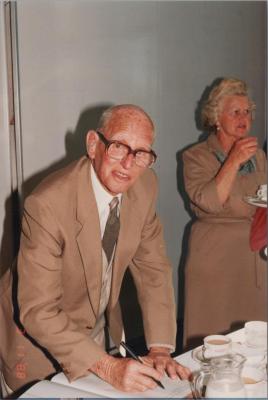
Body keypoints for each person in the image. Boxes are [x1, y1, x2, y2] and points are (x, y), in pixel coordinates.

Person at [0, 104, 190, 395]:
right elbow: (39, 311)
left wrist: (160, 349)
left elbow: (153, 270)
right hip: (33, 334)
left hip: (93, 328)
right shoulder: (47, 204)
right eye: (118, 147)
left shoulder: (145, 185)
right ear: (93, 144)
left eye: (141, 153)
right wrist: (108, 366)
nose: (129, 164)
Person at [182, 78, 267, 349]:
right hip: (215, 259)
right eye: (236, 112)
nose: (244, 118)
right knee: (212, 340)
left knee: (253, 338)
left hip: (254, 256)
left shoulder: (259, 156)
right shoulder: (195, 156)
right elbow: (208, 202)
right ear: (216, 118)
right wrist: (233, 160)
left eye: (247, 112)